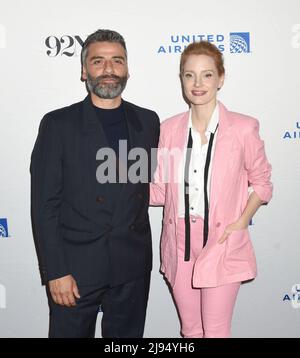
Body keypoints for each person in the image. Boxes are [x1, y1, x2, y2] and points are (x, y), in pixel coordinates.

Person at [31, 29, 160, 338]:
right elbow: (44, 206)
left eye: (117, 61)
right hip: (75, 268)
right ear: (83, 70)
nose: (108, 69)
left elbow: (141, 189)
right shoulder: (57, 124)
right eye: (98, 61)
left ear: (128, 69)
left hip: (132, 266)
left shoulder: (148, 122)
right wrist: (56, 271)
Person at [150, 41, 273, 338]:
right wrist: (112, 178)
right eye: (189, 75)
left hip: (221, 241)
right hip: (178, 241)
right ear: (181, 79)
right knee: (191, 330)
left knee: (216, 331)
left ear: (221, 78)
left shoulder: (244, 128)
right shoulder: (167, 129)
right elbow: (158, 189)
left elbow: (263, 183)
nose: (197, 83)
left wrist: (241, 221)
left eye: (206, 75)